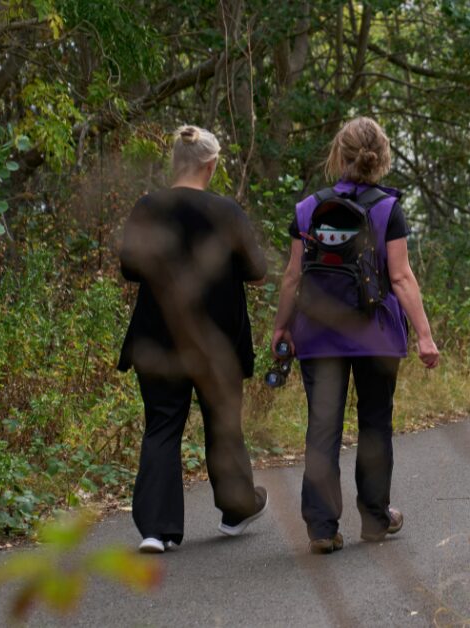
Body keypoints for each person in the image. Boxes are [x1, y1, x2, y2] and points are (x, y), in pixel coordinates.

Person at [272, 117, 440, 554]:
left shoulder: (307, 209)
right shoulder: (387, 209)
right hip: (376, 335)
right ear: (381, 157)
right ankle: (375, 519)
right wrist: (424, 335)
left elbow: (292, 277)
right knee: (375, 423)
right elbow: (400, 277)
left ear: (338, 155)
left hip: (318, 335)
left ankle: (321, 527)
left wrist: (281, 326)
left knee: (322, 426)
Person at [117, 125, 269, 553]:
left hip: (158, 337)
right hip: (217, 341)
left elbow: (129, 267)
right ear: (211, 165)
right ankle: (236, 509)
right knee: (223, 423)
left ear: (175, 162)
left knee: (162, 425)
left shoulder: (148, 206)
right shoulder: (226, 212)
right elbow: (257, 271)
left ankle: (156, 529)